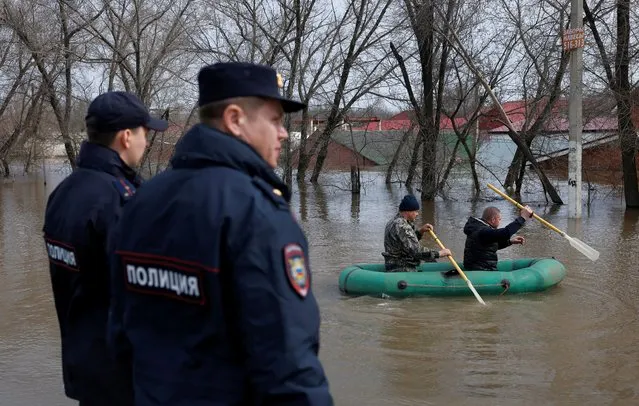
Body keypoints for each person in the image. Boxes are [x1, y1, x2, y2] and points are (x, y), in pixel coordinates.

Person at [107, 62, 333, 406]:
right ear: (234, 119)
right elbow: (288, 363)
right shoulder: (258, 213)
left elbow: (120, 333)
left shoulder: (140, 201)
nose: (283, 133)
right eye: (274, 120)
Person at [42, 91, 168, 405]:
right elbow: (144, 295)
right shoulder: (119, 199)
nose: (146, 141)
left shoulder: (64, 192)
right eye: (144, 133)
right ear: (126, 136)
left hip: (84, 366)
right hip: (124, 376)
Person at [382, 194, 451, 272]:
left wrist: (421, 231)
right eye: (415, 211)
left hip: (395, 262)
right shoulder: (402, 226)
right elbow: (417, 252)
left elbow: (406, 242)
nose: (417, 214)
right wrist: (440, 253)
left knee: (431, 260)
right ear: (408, 211)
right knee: (430, 257)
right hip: (400, 266)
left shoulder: (394, 221)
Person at [463, 205, 534, 271]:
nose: (500, 221)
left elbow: (488, 246)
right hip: (482, 269)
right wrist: (523, 218)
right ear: (493, 220)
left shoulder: (477, 228)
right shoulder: (484, 231)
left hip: (475, 266)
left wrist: (510, 242)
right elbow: (505, 233)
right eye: (499, 219)